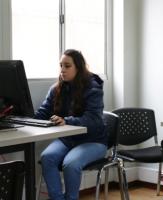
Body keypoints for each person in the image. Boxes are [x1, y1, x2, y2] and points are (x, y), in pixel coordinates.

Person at [35, 49, 107, 200]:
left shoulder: (93, 88)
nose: (62, 70)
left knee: (70, 164)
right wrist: (21, 116)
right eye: (61, 65)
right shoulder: (56, 89)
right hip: (68, 139)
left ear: (78, 68)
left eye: (67, 66)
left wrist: (67, 121)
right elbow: (43, 113)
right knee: (47, 158)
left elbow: (94, 119)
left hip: (93, 141)